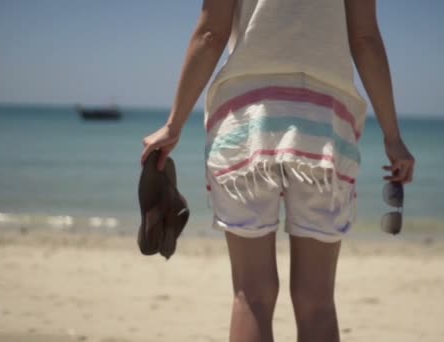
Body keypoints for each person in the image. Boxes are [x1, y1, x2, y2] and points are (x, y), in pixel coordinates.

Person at [141, 0, 415, 341]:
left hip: (246, 123)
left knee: (251, 294)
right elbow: (365, 39)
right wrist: (392, 136)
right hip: (324, 128)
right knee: (317, 300)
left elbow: (212, 33)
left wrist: (174, 124)